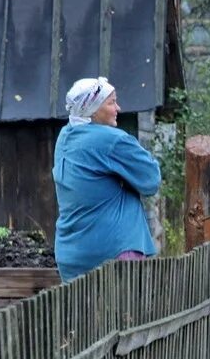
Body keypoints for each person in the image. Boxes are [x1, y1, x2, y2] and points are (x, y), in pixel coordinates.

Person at [52, 77, 161, 282]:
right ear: (92, 110)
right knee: (127, 314)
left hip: (71, 255)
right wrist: (126, 178)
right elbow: (150, 180)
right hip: (115, 252)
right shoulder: (112, 140)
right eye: (111, 102)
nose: (118, 108)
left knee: (82, 314)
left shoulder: (65, 137)